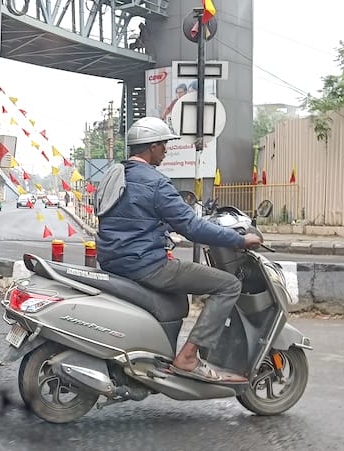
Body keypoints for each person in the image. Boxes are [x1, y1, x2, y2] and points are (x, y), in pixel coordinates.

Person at [93, 117, 263, 385]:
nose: (166, 151)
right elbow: (192, 227)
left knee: (178, 299)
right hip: (145, 264)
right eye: (164, 146)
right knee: (229, 285)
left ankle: (160, 352)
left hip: (112, 259)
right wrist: (238, 240)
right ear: (152, 147)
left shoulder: (114, 175)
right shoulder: (156, 182)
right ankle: (188, 358)